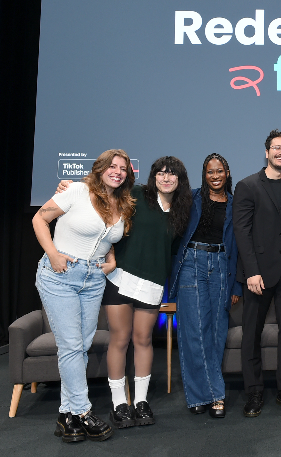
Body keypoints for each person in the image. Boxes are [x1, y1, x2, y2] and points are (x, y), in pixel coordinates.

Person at [58, 157, 192, 429]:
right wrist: (72, 186)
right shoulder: (135, 195)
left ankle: (141, 402)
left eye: (172, 175)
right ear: (153, 177)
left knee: (143, 340)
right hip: (120, 279)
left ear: (180, 180)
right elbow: (103, 191)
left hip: (153, 283)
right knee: (120, 339)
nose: (166, 179)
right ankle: (120, 404)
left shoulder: (182, 210)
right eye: (161, 174)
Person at [33, 149, 135, 443]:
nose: (118, 171)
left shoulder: (122, 203)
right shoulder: (77, 190)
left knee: (82, 346)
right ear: (101, 168)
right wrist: (52, 255)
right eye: (112, 166)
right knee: (72, 346)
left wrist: (111, 259)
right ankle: (83, 411)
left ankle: (67, 417)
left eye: (123, 168)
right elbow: (39, 219)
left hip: (93, 280)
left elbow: (103, 237)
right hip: (60, 275)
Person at [233, 130, 281, 417]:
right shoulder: (247, 185)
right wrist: (251, 271)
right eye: (277, 148)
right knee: (252, 332)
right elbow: (242, 231)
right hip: (258, 272)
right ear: (267, 152)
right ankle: (254, 392)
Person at [170, 153, 241, 419]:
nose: (215, 176)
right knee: (194, 331)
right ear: (204, 174)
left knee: (217, 332)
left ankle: (205, 394)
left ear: (227, 172)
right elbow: (161, 196)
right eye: (210, 171)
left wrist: (237, 287)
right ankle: (210, 396)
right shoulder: (190, 198)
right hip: (192, 263)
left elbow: (239, 249)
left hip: (222, 265)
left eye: (219, 171)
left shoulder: (235, 204)